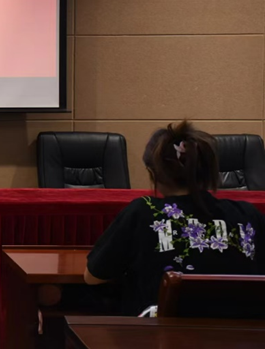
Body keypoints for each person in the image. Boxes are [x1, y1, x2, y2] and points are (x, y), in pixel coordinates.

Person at [85, 121, 265, 316]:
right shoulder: (248, 214)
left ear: (154, 173)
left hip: (162, 333)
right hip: (245, 333)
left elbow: (93, 277)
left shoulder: (143, 211)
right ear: (211, 171)